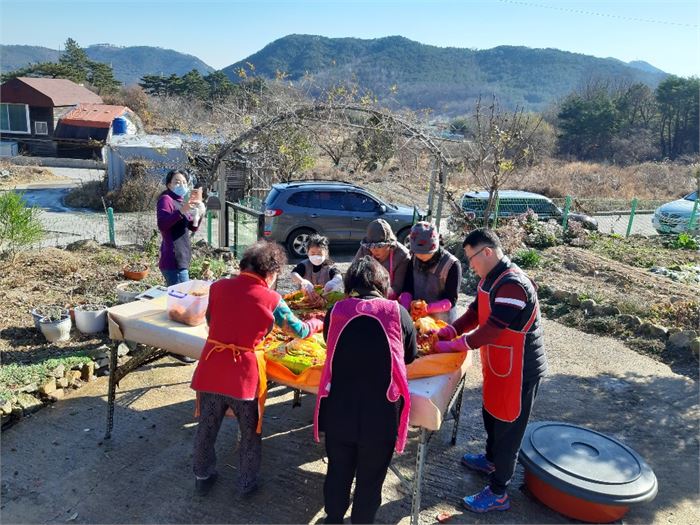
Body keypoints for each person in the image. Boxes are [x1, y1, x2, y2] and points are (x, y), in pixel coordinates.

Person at [190, 241, 323, 497]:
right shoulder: (272, 299)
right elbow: (299, 331)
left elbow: (210, 322)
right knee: (250, 433)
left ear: (243, 266)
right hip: (244, 376)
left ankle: (202, 476)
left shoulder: (217, 288)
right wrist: (317, 322)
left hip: (211, 368)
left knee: (206, 428)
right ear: (271, 273)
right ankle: (246, 485)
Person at [434, 228, 547, 513]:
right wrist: (452, 330)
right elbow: (475, 312)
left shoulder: (513, 285)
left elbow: (494, 328)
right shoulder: (490, 278)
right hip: (499, 365)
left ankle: (499, 492)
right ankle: (491, 459)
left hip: (520, 369)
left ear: (487, 252)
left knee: (510, 428)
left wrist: (459, 345)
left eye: (471, 258)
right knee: (492, 413)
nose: (470, 266)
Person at [313, 256, 417, 524]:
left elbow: (330, 345)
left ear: (351, 284)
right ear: (382, 283)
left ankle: (333, 519)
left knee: (338, 470)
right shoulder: (397, 312)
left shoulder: (336, 311)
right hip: (380, 412)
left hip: (339, 408)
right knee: (371, 479)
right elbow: (409, 356)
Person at [399, 221, 462, 322]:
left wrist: (428, 308)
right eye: (417, 252)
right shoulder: (414, 258)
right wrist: (405, 309)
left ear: (435, 247)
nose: (421, 256)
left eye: (426, 253)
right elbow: (407, 287)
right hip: (417, 317)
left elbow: (451, 300)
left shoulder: (451, 265)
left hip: (442, 320)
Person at [156, 169, 206, 286]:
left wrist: (200, 213)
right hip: (174, 260)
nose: (182, 185)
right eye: (177, 182)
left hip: (182, 258)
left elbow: (192, 228)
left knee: (177, 299)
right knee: (182, 300)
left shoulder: (181, 201)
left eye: (184, 182)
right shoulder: (166, 199)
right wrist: (182, 210)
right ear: (169, 185)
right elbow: (162, 224)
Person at [352, 218, 410, 299]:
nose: (374, 250)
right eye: (370, 246)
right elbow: (354, 275)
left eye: (379, 246)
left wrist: (376, 297)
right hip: (365, 296)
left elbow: (397, 288)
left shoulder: (402, 255)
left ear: (389, 244)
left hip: (390, 299)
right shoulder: (364, 250)